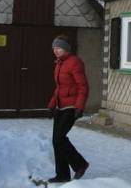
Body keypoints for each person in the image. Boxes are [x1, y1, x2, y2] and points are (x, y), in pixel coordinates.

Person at [47, 35, 90, 183]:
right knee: (56, 141)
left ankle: (80, 164)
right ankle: (62, 174)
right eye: (54, 48)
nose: (56, 50)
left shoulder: (74, 62)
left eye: (59, 48)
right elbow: (60, 88)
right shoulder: (59, 63)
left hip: (71, 106)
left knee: (59, 139)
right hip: (60, 106)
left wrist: (79, 107)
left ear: (66, 49)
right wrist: (52, 104)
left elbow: (83, 86)